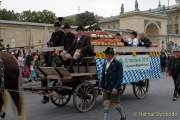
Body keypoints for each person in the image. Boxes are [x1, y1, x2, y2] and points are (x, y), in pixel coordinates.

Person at [101, 47, 126, 120]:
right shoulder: (104, 64)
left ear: (111, 55)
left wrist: (116, 87)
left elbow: (120, 77)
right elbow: (103, 76)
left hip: (114, 87)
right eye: (105, 54)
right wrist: (102, 86)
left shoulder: (118, 64)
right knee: (106, 104)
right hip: (106, 87)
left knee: (116, 105)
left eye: (106, 54)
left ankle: (123, 116)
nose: (105, 55)